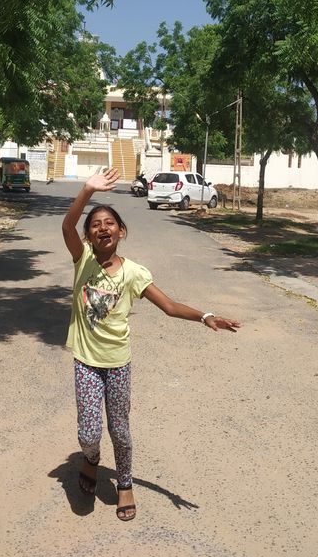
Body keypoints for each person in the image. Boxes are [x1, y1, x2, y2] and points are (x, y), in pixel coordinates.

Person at [61, 167, 241, 522]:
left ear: (121, 231)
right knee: (88, 433)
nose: (102, 227)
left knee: (121, 430)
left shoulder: (134, 273)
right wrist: (86, 192)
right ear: (88, 236)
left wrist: (206, 316)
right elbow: (67, 226)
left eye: (109, 223)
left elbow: (170, 306)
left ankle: (125, 483)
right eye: (95, 223)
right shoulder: (81, 259)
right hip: (85, 360)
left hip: (118, 363)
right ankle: (92, 460)